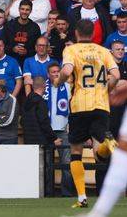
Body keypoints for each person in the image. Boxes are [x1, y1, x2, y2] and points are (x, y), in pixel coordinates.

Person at [55, 19, 120, 208]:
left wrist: (58, 81)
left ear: (76, 33)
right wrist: (106, 89)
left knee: (76, 152)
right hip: (101, 105)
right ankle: (107, 142)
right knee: (100, 155)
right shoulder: (103, 51)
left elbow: (66, 70)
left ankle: (82, 197)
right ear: (92, 34)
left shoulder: (72, 50)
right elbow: (116, 75)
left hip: (80, 105)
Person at [45, 62, 74, 197]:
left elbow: (72, 108)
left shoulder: (68, 87)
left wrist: (70, 126)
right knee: (46, 163)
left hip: (63, 130)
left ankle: (66, 194)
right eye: (53, 72)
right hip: (47, 131)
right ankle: (48, 193)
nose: (56, 74)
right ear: (48, 74)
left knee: (67, 164)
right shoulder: (42, 88)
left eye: (58, 71)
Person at [21, 76, 61, 146]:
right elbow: (44, 122)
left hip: (28, 141)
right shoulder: (41, 102)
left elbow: (22, 121)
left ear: (33, 86)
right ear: (44, 86)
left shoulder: (25, 101)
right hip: (41, 142)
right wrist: (54, 138)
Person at [5, 0, 42, 65]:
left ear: (31, 11)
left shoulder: (35, 27)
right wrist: (12, 49)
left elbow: (38, 47)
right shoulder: (9, 25)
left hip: (29, 60)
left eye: (27, 10)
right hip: (10, 59)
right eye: (22, 9)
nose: (24, 12)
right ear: (19, 9)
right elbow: (3, 44)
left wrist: (27, 51)